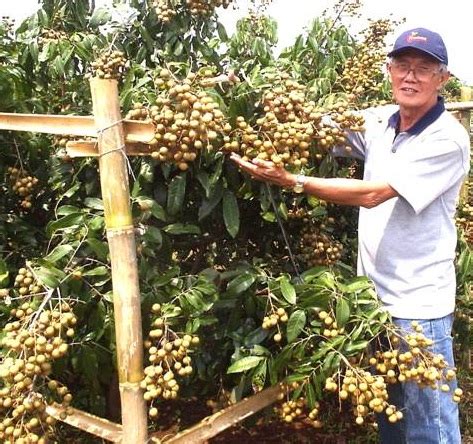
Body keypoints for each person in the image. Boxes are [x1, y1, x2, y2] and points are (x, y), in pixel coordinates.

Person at [230, 27, 470, 443]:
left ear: (442, 79)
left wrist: (294, 181)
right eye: (402, 66)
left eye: (423, 69)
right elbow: (315, 127)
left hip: (419, 307)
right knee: (391, 417)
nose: (410, 77)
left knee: (429, 426)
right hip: (372, 301)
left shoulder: (447, 138)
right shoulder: (379, 122)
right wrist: (253, 94)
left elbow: (375, 194)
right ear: (390, 71)